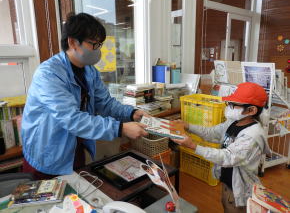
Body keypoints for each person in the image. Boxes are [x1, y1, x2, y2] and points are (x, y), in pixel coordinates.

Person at [21, 13, 148, 180]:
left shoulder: (90, 71)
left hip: (74, 146)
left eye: (100, 44)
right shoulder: (49, 74)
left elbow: (106, 104)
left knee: (75, 197)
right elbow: (71, 118)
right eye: (93, 44)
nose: (98, 50)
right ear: (72, 42)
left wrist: (132, 113)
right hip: (47, 150)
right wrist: (120, 128)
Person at [171, 82, 271, 213]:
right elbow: (212, 133)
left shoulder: (252, 136)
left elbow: (227, 157)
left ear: (251, 110)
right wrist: (188, 126)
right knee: (226, 205)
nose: (229, 107)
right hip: (227, 181)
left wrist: (193, 146)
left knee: (234, 209)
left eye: (233, 104)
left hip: (240, 187)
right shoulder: (233, 122)